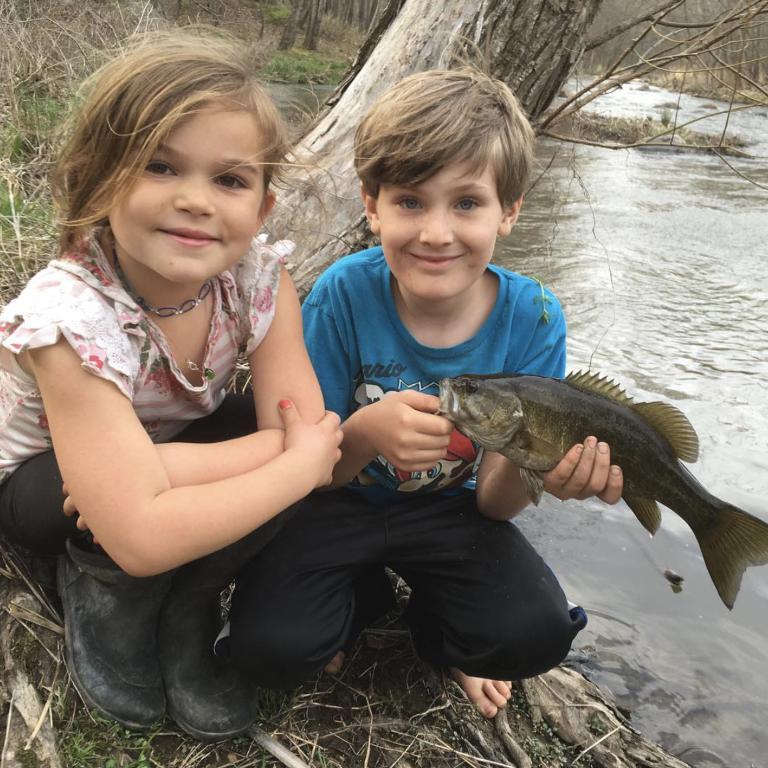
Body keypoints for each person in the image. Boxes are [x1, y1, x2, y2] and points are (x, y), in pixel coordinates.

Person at [226, 68, 624, 718]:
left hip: (453, 513)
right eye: (411, 201)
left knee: (534, 634)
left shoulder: (537, 317)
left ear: (510, 211)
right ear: (372, 205)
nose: (437, 232)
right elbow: (306, 470)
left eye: (467, 203)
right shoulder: (342, 295)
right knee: (272, 652)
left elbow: (495, 505)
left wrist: (544, 471)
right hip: (339, 502)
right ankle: (361, 597)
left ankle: (440, 634)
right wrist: (364, 433)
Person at [0, 32, 342, 740]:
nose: (195, 200)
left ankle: (192, 600)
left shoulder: (256, 277)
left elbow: (304, 423)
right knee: (266, 458)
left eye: (230, 180)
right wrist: (295, 466)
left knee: (268, 423)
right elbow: (144, 534)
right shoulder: (70, 315)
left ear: (263, 207)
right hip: (41, 481)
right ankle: (107, 593)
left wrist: (157, 474)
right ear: (98, 179)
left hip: (150, 453)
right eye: (160, 166)